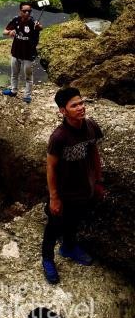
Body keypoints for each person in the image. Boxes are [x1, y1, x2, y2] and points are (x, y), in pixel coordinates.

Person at [41, 87, 104, 285]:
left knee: (74, 221)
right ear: (63, 111)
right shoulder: (59, 137)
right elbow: (51, 167)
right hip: (63, 192)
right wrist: (54, 197)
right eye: (74, 105)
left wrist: (98, 181)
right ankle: (47, 259)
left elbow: (94, 153)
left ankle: (68, 247)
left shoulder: (91, 126)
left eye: (81, 103)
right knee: (53, 227)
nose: (80, 108)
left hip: (83, 190)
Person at [2, 1, 42, 103]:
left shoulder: (33, 23)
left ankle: (27, 95)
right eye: (25, 11)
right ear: (20, 11)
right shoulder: (16, 20)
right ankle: (13, 90)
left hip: (28, 55)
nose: (27, 13)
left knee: (28, 77)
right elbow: (4, 31)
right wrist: (10, 32)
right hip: (15, 53)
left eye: (29, 11)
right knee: (14, 74)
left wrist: (38, 27)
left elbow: (40, 27)